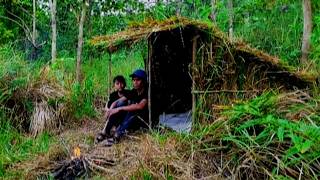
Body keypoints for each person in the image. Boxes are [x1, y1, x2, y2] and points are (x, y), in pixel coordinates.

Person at [96, 69, 149, 146]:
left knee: (131, 112)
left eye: (138, 80)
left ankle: (116, 136)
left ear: (143, 81)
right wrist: (110, 110)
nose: (135, 82)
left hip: (142, 120)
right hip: (130, 117)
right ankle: (105, 131)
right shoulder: (134, 91)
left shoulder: (146, 91)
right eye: (133, 80)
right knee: (120, 104)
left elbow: (140, 106)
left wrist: (119, 108)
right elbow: (117, 101)